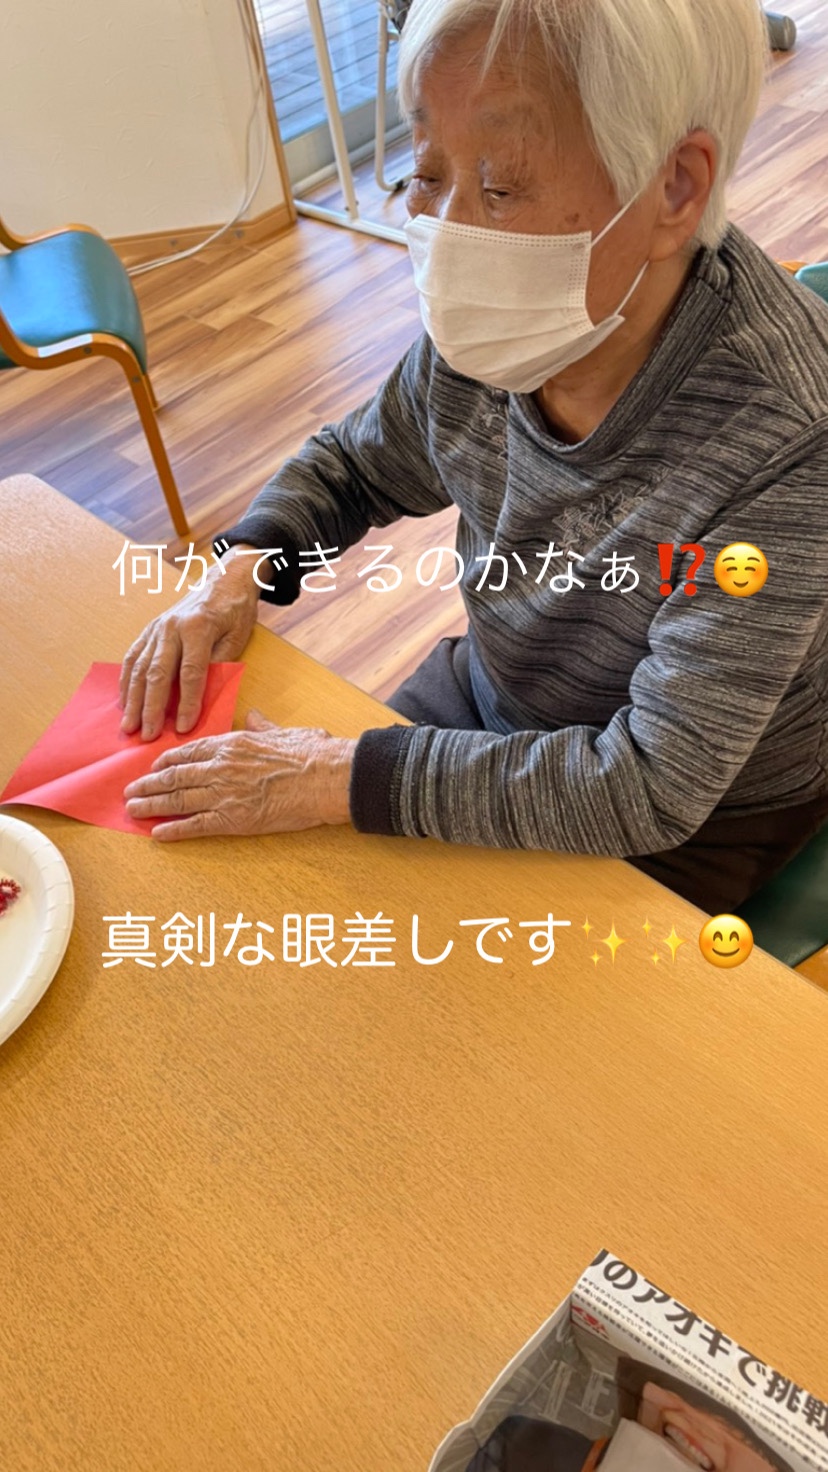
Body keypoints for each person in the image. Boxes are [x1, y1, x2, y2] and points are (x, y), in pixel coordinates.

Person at [120, 0, 828, 914]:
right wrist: (237, 573)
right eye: (426, 171)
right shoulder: (502, 328)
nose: (449, 233)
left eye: (500, 185)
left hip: (695, 810)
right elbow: (359, 465)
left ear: (673, 188)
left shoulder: (788, 437)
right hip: (498, 695)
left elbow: (652, 782)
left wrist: (333, 777)